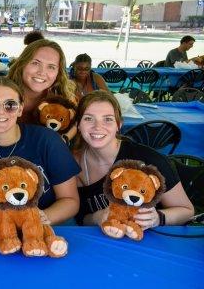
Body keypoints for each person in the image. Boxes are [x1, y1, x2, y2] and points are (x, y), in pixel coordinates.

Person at [0, 77, 80, 226]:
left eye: (10, 105)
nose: (0, 112)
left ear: (20, 109)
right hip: (0, 230)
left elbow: (70, 200)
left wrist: (41, 218)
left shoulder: (48, 141)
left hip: (52, 225)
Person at [73, 90, 194, 227]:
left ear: (119, 124)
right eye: (89, 118)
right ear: (78, 124)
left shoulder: (149, 160)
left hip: (148, 239)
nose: (97, 127)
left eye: (108, 119)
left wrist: (157, 218)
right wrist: (97, 217)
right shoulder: (73, 164)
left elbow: (187, 211)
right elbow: (81, 218)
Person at [0, 39, 78, 138]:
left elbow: (77, 125)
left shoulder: (61, 103)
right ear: (22, 64)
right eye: (35, 63)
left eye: (51, 67)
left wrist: (66, 138)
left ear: (58, 73)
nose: (42, 72)